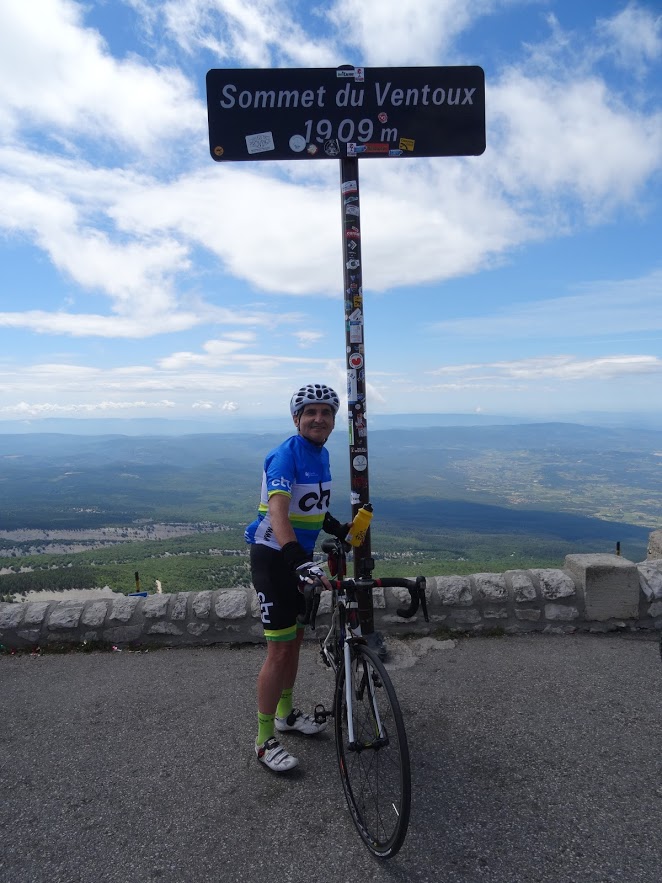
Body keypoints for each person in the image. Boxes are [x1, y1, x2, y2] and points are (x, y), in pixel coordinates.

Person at [245, 383, 349, 773]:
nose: (319, 418)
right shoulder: (285, 455)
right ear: (296, 419)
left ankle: (287, 716)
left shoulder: (320, 456)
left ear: (333, 421)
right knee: (279, 650)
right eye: (310, 412)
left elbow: (313, 509)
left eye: (326, 412)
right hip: (274, 558)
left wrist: (337, 527)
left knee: (296, 641)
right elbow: (279, 513)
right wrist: (295, 559)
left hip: (297, 558)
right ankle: (262, 739)